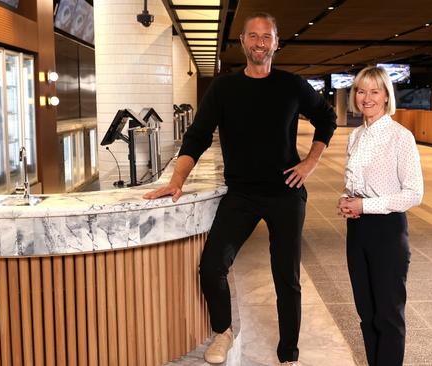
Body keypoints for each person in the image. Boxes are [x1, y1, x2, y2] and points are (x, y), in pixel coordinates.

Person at [144, 12, 337, 366]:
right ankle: (223, 332)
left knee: (286, 278)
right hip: (242, 195)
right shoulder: (224, 88)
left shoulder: (292, 85)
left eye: (267, 37)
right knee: (211, 266)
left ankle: (288, 355)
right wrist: (176, 181)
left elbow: (328, 118)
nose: (260, 43)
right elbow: (197, 136)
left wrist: (311, 162)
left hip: (285, 193)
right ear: (243, 42)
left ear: (276, 43)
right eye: (253, 36)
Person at [337, 65, 423, 366]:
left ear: (387, 96)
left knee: (389, 316)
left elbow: (414, 193)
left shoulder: (401, 137)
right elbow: (357, 185)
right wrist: (348, 200)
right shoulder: (355, 136)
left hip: (388, 232)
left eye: (375, 91)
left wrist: (365, 206)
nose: (367, 97)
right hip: (358, 232)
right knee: (367, 315)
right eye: (361, 91)